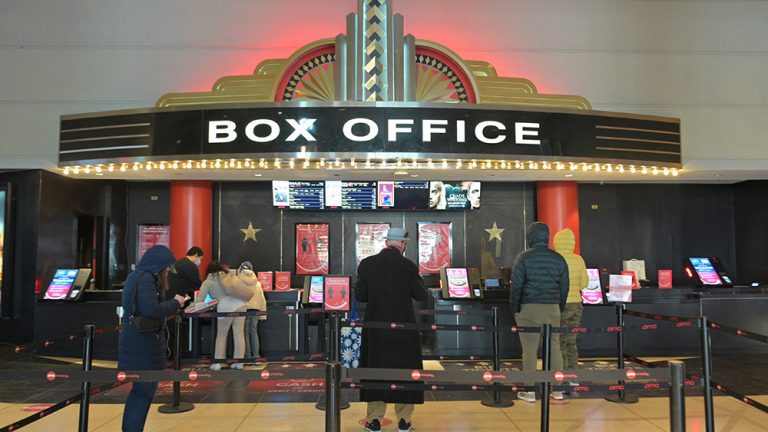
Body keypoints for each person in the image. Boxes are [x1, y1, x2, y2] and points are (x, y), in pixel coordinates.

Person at [356, 227, 425, 432]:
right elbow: (420, 295)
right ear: (403, 244)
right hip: (404, 328)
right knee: (405, 369)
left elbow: (361, 296)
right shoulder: (409, 266)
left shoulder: (367, 264)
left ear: (387, 242)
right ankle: (404, 420)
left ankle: (374, 420)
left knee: (376, 370)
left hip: (375, 327)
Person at [119, 245, 186, 432]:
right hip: (142, 345)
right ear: (159, 266)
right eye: (167, 268)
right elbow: (151, 310)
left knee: (141, 391)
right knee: (143, 391)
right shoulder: (147, 280)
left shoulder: (138, 277)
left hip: (138, 343)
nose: (168, 272)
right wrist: (175, 303)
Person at [510, 222, 569, 403]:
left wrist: (515, 308)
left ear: (531, 237)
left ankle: (529, 391)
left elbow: (517, 286)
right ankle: (557, 389)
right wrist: (558, 306)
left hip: (529, 308)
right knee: (554, 348)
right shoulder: (558, 259)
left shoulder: (523, 258)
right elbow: (564, 287)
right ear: (547, 237)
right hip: (552, 307)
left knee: (529, 350)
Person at [553, 228, 589, 385]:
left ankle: (561, 376)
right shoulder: (578, 259)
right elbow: (585, 283)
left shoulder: (554, 259)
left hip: (559, 304)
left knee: (558, 341)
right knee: (571, 341)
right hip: (576, 304)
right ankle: (574, 377)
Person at [197, 262, 247, 370]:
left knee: (221, 336)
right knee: (239, 334)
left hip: (225, 306)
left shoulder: (208, 282)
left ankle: (218, 363)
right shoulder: (229, 275)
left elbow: (200, 300)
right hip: (241, 303)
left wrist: (189, 308)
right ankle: (239, 362)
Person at [165, 246, 204, 359]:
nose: (200, 261)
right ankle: (181, 353)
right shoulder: (190, 265)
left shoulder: (177, 263)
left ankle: (171, 353)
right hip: (181, 299)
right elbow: (196, 282)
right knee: (181, 327)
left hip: (169, 298)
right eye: (200, 258)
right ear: (196, 255)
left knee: (171, 327)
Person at [238, 261, 267, 359]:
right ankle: (256, 356)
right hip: (255, 310)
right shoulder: (257, 283)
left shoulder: (238, 282)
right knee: (253, 332)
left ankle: (247, 356)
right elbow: (262, 299)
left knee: (244, 332)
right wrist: (263, 314)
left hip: (243, 309)